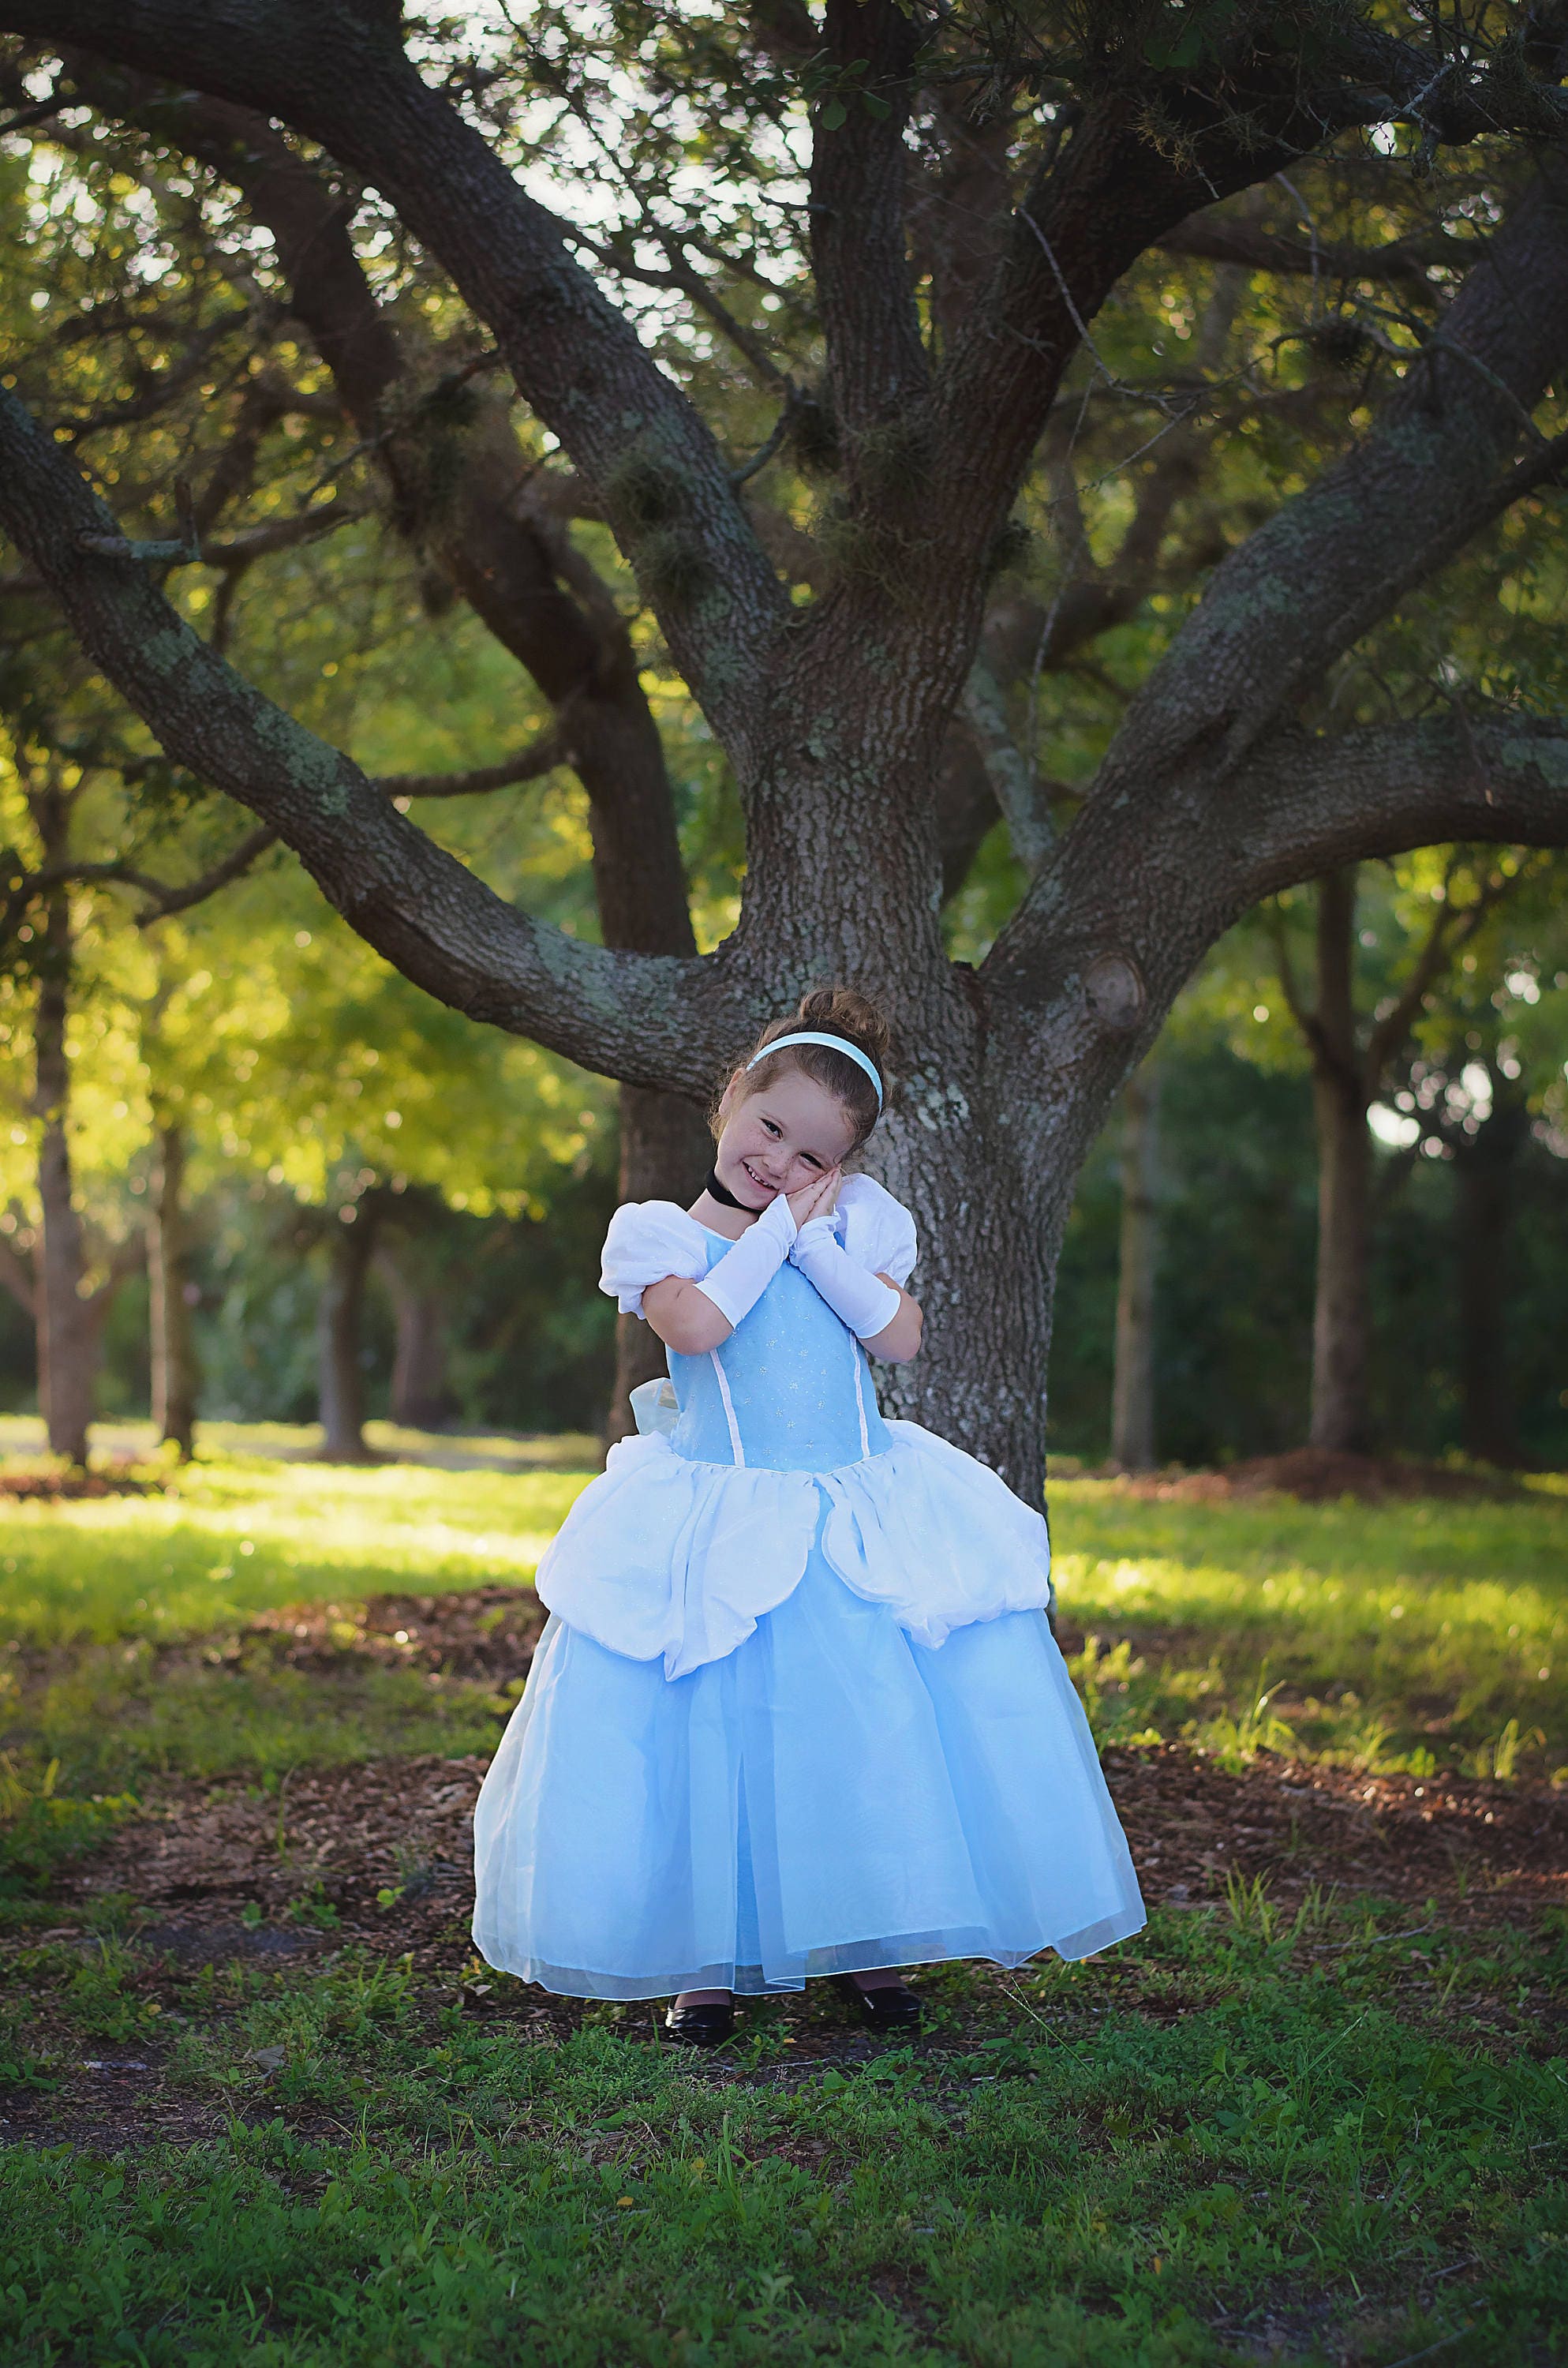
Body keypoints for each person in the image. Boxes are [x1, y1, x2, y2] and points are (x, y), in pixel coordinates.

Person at [472, 986, 1144, 2044]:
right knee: (716, 1732)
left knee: (864, 1733)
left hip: (853, 1511)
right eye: (769, 1127)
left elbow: (899, 1338)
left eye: (810, 1157)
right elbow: (696, 1329)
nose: (779, 1161)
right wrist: (778, 1229)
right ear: (733, 1097)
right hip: (721, 1515)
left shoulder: (859, 1225)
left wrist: (817, 1241)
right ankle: (708, 1962)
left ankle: (868, 1942)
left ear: (847, 1168)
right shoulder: (663, 1237)